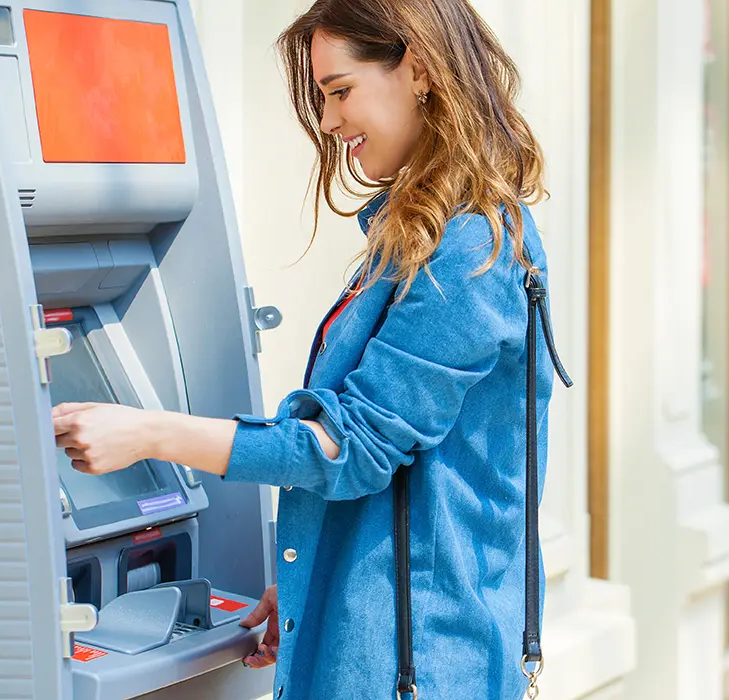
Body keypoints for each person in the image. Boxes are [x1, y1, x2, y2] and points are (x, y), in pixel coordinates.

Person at [52, 0, 558, 697]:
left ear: (418, 68)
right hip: (387, 646)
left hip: (419, 667)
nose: (328, 122)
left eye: (339, 91)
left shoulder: (469, 250)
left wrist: (147, 434)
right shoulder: (431, 237)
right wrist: (312, 581)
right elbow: (396, 468)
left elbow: (346, 448)